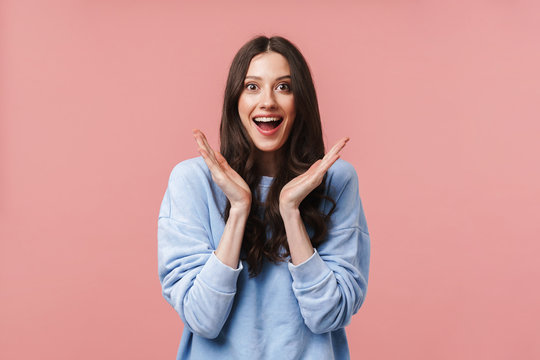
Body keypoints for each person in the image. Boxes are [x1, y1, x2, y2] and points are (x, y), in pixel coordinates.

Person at [157, 35, 370, 360]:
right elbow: (203, 319)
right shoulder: (193, 181)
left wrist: (290, 210)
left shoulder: (336, 181)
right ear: (235, 101)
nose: (267, 101)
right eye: (252, 87)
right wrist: (240, 209)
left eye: (283, 87)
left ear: (301, 102)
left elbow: (328, 315)